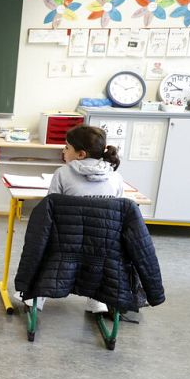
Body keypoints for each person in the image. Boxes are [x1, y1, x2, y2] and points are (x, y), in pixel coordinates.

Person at [36, 124, 124, 313]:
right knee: (97, 248)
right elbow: (117, 213)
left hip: (66, 243)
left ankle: (38, 296)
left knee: (42, 240)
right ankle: (97, 299)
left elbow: (50, 208)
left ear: (81, 154)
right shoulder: (116, 177)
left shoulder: (62, 173)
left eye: (67, 147)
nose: (63, 151)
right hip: (103, 246)